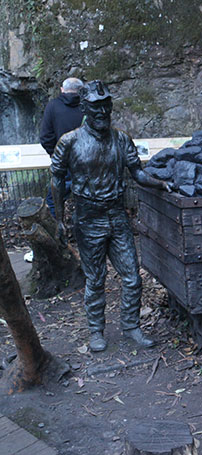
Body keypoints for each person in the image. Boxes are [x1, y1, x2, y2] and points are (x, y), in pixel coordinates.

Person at [51, 80, 172, 352]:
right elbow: (56, 179)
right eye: (96, 106)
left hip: (117, 216)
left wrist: (161, 183)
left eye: (106, 105)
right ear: (84, 107)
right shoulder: (69, 142)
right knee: (95, 279)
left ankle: (131, 326)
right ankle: (96, 330)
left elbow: (137, 174)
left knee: (132, 277)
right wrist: (59, 218)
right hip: (87, 218)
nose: (102, 111)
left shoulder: (121, 139)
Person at [40, 77, 84, 216]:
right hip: (86, 160)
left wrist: (55, 154)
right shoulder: (88, 105)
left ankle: (58, 231)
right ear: (81, 90)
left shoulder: (53, 106)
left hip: (63, 161)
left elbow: (45, 136)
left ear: (62, 90)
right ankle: (85, 231)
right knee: (86, 198)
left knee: (54, 199)